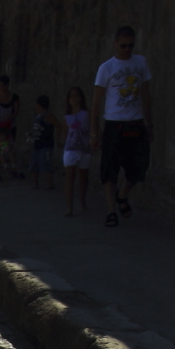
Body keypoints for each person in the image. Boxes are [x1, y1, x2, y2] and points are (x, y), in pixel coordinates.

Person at [91, 24, 153, 228]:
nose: (127, 49)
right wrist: (95, 128)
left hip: (135, 123)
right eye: (123, 46)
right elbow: (97, 101)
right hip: (114, 124)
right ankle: (111, 211)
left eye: (130, 46)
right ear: (116, 44)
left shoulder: (141, 63)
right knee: (109, 170)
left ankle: (123, 193)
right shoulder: (106, 68)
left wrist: (149, 122)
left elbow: (145, 93)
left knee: (140, 166)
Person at [61, 86, 91, 214]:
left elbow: (95, 128)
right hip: (71, 148)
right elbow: (64, 133)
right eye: (71, 96)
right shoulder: (67, 117)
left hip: (84, 148)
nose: (73, 98)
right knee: (70, 177)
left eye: (76, 95)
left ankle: (82, 202)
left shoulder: (87, 114)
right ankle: (69, 207)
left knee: (83, 178)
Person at [29, 95, 58, 189]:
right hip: (37, 144)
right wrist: (31, 133)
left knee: (46, 164)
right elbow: (37, 128)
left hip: (46, 144)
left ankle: (50, 183)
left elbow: (58, 125)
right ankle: (35, 183)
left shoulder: (48, 115)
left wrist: (58, 138)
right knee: (34, 165)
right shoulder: (38, 116)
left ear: (39, 104)